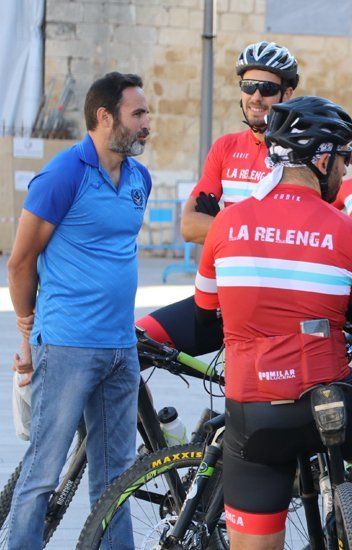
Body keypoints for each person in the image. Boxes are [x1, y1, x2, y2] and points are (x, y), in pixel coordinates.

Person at [195, 96, 352, 550]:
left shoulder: (225, 224)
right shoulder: (346, 229)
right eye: (344, 159)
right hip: (327, 398)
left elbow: (203, 313)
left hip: (251, 411)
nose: (346, 170)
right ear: (323, 157)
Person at [7, 71, 151, 549]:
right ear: (104, 116)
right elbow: (21, 261)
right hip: (67, 346)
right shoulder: (63, 174)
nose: (147, 122)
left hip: (120, 349)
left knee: (117, 481)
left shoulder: (139, 177)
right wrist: (27, 336)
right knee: (42, 473)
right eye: (138, 113)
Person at [137, 40, 298, 357]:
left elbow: (296, 240)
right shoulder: (225, 148)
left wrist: (220, 223)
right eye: (249, 86)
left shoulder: (298, 152)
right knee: (132, 346)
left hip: (276, 309)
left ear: (287, 94)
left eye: (266, 87)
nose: (255, 97)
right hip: (221, 299)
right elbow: (189, 226)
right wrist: (257, 233)